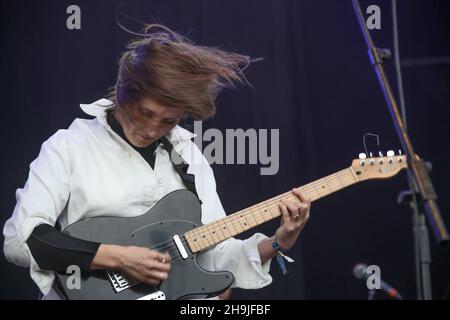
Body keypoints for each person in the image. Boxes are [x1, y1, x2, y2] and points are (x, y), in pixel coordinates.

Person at [3, 24, 310, 299]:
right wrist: (118, 257)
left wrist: (280, 240)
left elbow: (215, 256)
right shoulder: (69, 146)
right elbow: (22, 240)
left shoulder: (188, 156)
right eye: (145, 113)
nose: (151, 129)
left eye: (168, 121)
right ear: (123, 91)